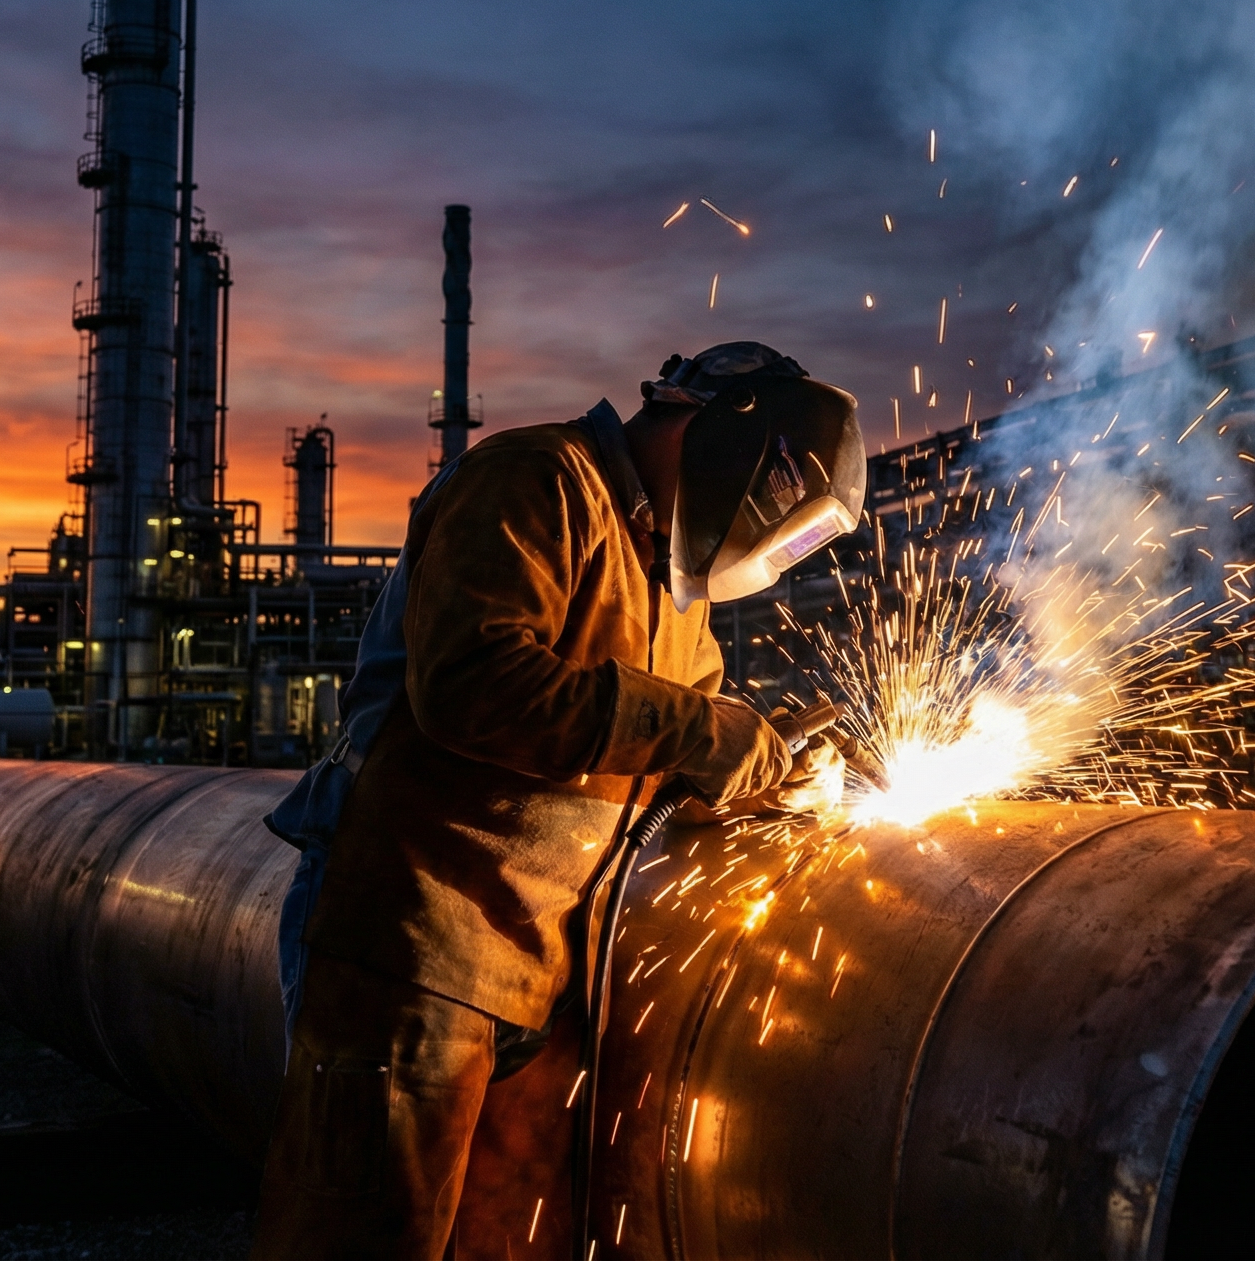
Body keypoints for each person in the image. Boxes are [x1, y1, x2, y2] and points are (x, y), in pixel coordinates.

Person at [255, 342, 864, 1258]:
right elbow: (473, 683)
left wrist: (772, 780)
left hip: (542, 975)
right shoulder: (536, 479)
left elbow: (661, 772)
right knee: (367, 1239)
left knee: (507, 1244)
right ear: (719, 437)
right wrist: (705, 730)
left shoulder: (672, 590)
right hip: (413, 943)